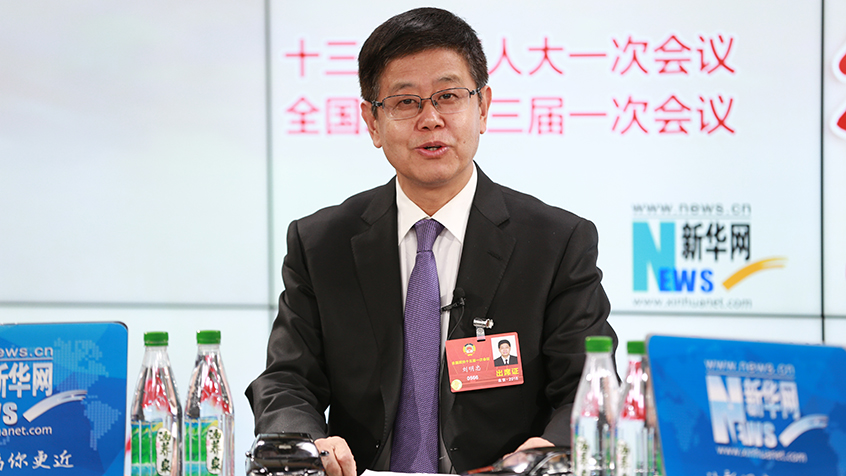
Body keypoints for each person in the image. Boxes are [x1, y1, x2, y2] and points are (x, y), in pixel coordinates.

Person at [246, 7, 616, 476]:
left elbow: (589, 388)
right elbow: (287, 380)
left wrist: (545, 454)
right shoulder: (323, 244)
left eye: (448, 96)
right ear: (372, 122)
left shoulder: (555, 243)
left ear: (483, 107)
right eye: (405, 102)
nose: (430, 119)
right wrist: (305, 443)